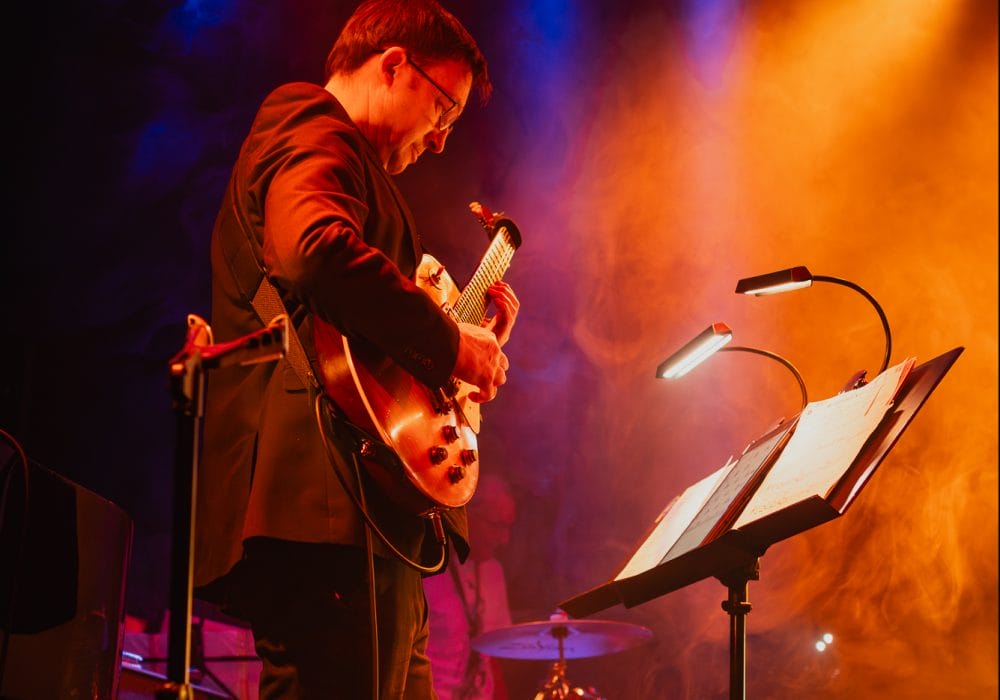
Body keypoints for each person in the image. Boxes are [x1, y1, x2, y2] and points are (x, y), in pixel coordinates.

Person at [192, 1, 519, 698]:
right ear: (395, 65)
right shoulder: (309, 120)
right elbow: (315, 250)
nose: (439, 142)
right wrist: (447, 344)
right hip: (325, 507)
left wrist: (449, 365)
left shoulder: (346, 159)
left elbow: (351, 333)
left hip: (360, 513)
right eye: (443, 113)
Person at [423, 474, 517, 699]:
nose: (504, 539)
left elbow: (492, 657)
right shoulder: (430, 568)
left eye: (508, 528)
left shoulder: (494, 571)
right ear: (467, 515)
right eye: (496, 526)